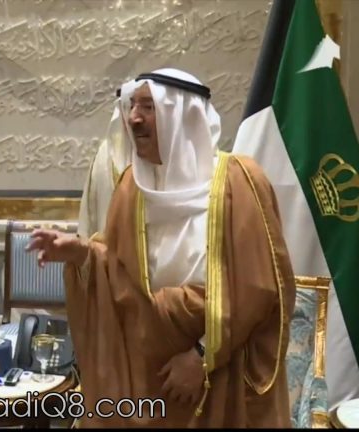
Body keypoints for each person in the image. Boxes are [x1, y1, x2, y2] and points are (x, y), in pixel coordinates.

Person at [28, 68, 296, 427]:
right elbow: (121, 272)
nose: (134, 118)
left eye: (148, 107)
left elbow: (257, 289)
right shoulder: (131, 188)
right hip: (148, 375)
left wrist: (202, 356)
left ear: (183, 115)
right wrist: (81, 253)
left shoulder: (239, 181)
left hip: (221, 376)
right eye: (131, 106)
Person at [77, 84, 136, 239]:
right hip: (106, 248)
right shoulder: (106, 152)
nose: (134, 118)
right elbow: (90, 210)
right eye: (129, 108)